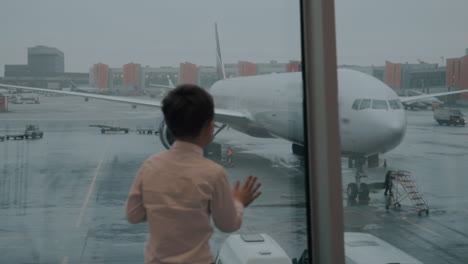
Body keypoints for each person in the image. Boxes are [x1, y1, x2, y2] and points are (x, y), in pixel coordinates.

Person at [125, 84, 262, 264]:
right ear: (210, 127)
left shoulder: (150, 166)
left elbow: (133, 215)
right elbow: (228, 225)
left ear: (169, 124)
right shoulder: (213, 173)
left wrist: (162, 206)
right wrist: (239, 201)